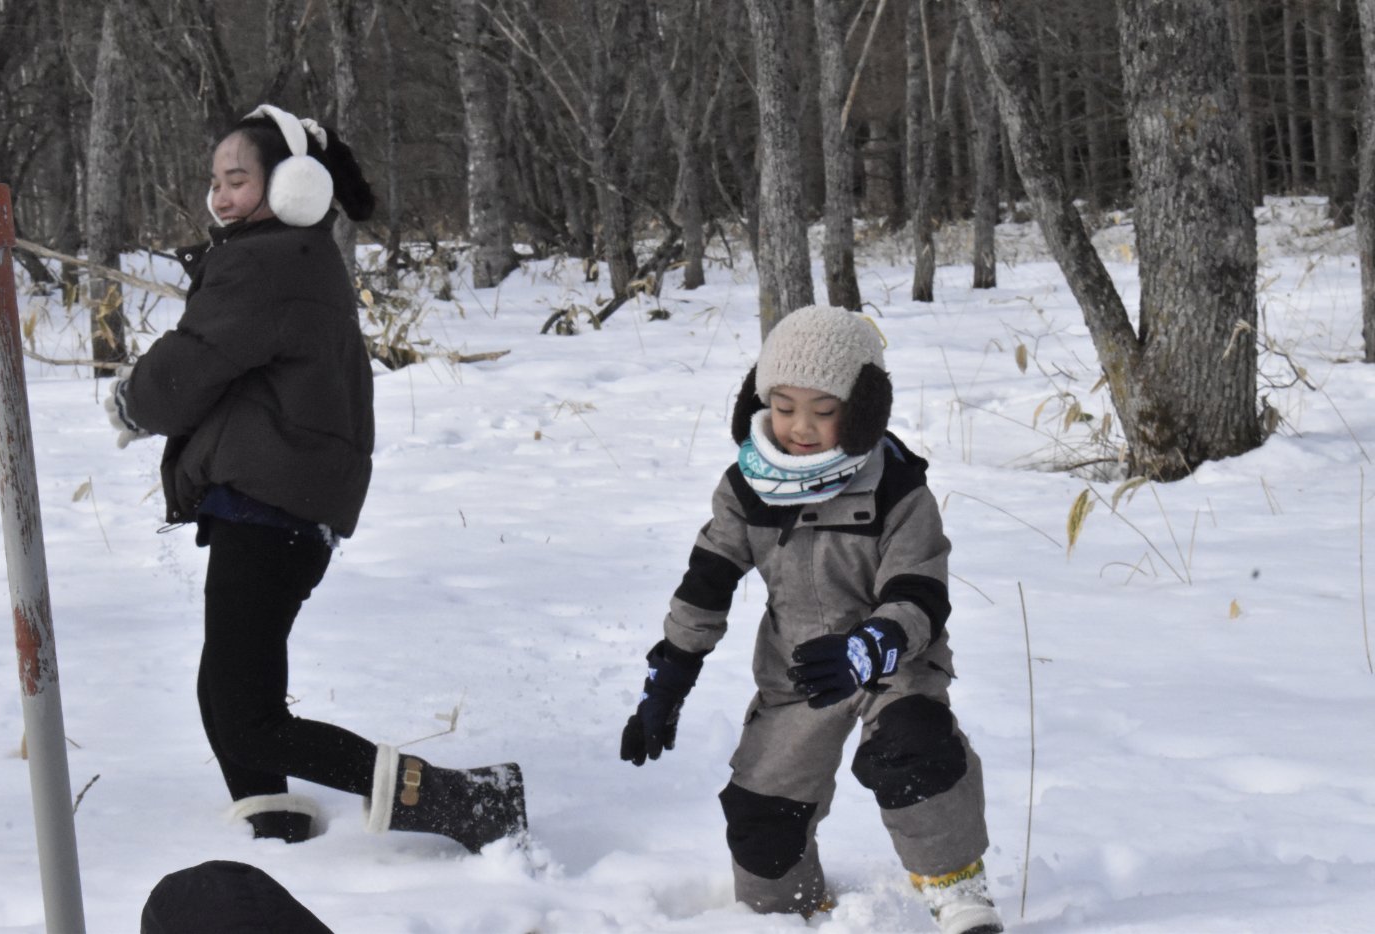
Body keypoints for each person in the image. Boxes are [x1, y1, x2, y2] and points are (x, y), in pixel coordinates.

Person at [105, 104, 526, 851]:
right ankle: (274, 823)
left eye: (238, 179)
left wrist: (135, 402)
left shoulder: (267, 263)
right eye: (215, 180)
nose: (220, 195)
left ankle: (467, 803)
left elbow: (193, 363)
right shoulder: (286, 255)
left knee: (245, 715)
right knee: (228, 696)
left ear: (291, 184)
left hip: (271, 507)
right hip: (275, 503)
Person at [620, 305, 1003, 934]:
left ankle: (958, 890)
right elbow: (706, 583)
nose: (800, 426)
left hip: (891, 663)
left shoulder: (898, 488)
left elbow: (919, 590)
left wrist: (872, 645)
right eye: (783, 405)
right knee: (760, 816)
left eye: (824, 411)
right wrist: (671, 675)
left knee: (914, 747)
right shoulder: (747, 487)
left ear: (862, 409)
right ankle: (789, 912)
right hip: (797, 675)